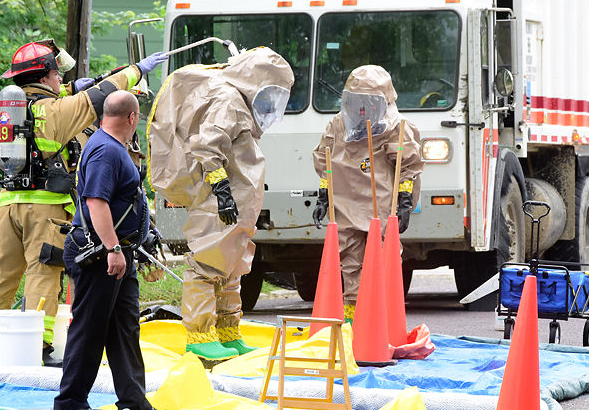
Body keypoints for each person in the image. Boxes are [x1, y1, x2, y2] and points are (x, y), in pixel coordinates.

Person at [0, 39, 168, 356]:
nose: (61, 79)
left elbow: (61, 96)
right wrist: (135, 71)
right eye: (57, 74)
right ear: (46, 74)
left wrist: (73, 85)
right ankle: (36, 347)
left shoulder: (16, 109)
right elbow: (99, 97)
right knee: (42, 277)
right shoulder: (58, 113)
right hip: (44, 212)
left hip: (7, 209)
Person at [147, 47, 294, 361]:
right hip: (219, 202)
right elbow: (207, 144)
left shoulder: (239, 102)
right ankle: (200, 337)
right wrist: (222, 188)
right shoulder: (229, 99)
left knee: (231, 269)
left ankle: (227, 333)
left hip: (236, 204)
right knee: (206, 266)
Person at [53, 90, 172, 410]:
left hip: (119, 255)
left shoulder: (111, 147)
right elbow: (96, 202)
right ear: (133, 118)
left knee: (124, 329)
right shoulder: (106, 151)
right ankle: (70, 401)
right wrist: (112, 248)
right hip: (100, 255)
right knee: (90, 329)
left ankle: (134, 404)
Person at [311, 64, 424, 319]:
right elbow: (327, 163)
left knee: (383, 263)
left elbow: (406, 167)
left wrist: (403, 200)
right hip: (346, 204)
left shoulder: (396, 126)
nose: (361, 108)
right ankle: (353, 319)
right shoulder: (338, 125)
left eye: (367, 102)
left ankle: (381, 320)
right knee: (350, 263)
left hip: (380, 207)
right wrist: (323, 195)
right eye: (356, 101)